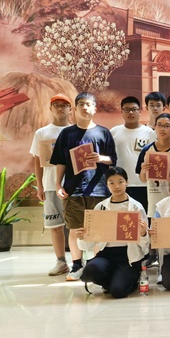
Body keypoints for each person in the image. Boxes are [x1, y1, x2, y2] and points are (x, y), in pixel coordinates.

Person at [50, 92, 117, 282]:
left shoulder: (103, 132)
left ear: (95, 108)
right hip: (74, 190)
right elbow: (60, 161)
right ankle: (77, 265)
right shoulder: (67, 134)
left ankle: (96, 264)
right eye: (81, 104)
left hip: (99, 190)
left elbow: (113, 159)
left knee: (99, 230)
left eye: (88, 104)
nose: (85, 108)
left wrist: (100, 158)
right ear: (75, 108)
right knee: (75, 229)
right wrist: (58, 184)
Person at [75, 167, 149, 298]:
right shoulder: (101, 207)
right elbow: (88, 246)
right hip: (106, 254)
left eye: (120, 181)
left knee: (118, 291)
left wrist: (143, 234)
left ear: (127, 182)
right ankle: (116, 279)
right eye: (112, 183)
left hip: (128, 256)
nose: (117, 186)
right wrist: (83, 237)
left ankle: (127, 280)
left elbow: (145, 246)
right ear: (106, 185)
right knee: (90, 271)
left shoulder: (136, 207)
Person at [30, 93, 73, 276]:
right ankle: (61, 262)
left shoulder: (76, 131)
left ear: (70, 109)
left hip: (73, 185)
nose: (60, 108)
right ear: (50, 108)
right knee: (55, 225)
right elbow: (37, 160)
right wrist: (39, 186)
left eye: (64, 105)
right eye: (56, 105)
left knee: (77, 226)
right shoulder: (42, 133)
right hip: (49, 185)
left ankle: (80, 262)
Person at [136, 112, 170, 219]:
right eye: (159, 125)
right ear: (154, 127)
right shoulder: (147, 150)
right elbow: (142, 179)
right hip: (153, 199)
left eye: (167, 126)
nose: (162, 129)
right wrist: (143, 170)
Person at [110, 96, 155, 212]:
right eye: (127, 109)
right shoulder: (114, 132)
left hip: (143, 184)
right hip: (120, 185)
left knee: (143, 219)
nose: (130, 112)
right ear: (121, 112)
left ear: (140, 112)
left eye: (134, 109)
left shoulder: (149, 133)